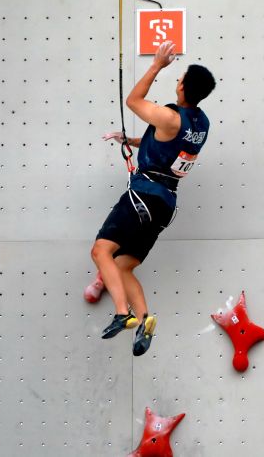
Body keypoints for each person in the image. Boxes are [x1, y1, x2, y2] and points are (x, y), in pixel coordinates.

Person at [91, 40, 214, 356]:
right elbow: (167, 143)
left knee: (101, 251)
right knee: (123, 266)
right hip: (165, 205)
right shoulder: (201, 124)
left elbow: (133, 100)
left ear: (183, 86)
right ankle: (144, 320)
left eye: (180, 77)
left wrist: (157, 65)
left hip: (144, 195)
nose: (178, 79)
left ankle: (123, 313)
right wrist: (130, 140)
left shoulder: (171, 117)